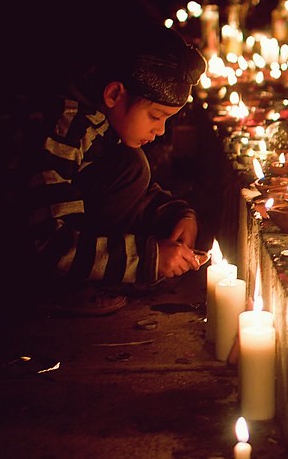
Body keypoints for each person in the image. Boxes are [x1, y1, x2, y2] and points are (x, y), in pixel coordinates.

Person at [17, 22, 208, 315]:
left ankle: (92, 275)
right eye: (156, 116)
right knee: (133, 165)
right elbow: (49, 242)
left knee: (132, 166)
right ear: (115, 94)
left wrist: (176, 214)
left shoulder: (98, 122)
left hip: (55, 243)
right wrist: (148, 259)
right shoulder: (61, 132)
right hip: (22, 258)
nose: (160, 130)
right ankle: (63, 289)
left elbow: (119, 186)